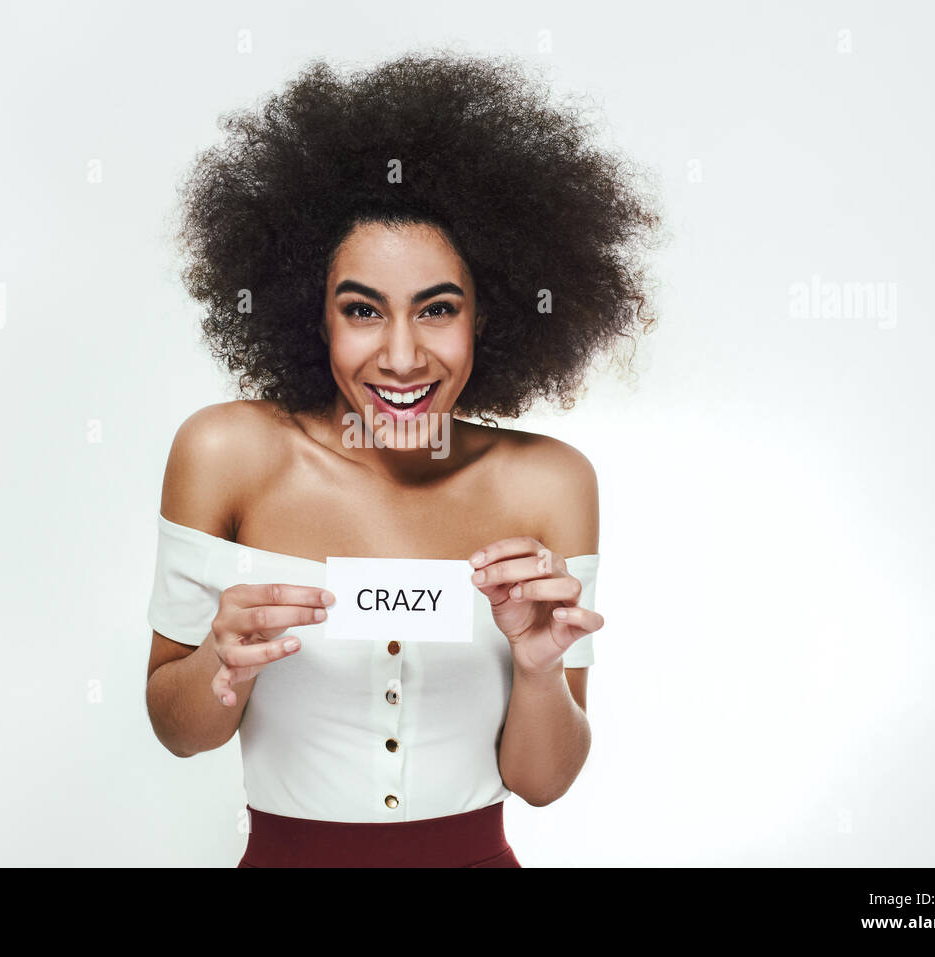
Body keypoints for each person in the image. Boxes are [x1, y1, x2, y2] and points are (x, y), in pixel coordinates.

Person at [144, 50, 659, 867]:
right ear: (313, 315)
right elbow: (176, 731)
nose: (402, 355)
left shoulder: (552, 482)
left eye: (438, 308)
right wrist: (220, 661)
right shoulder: (225, 453)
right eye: (361, 309)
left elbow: (542, 780)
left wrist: (535, 667)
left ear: (487, 316)